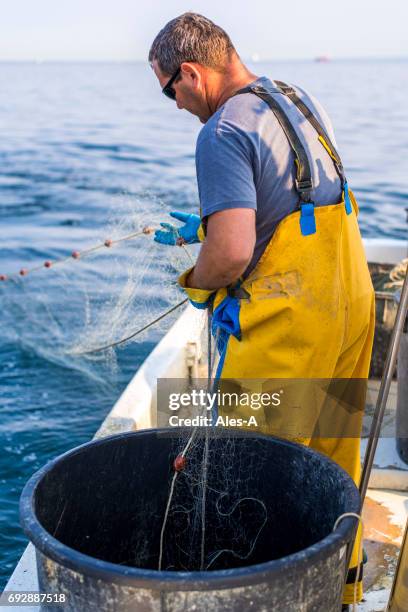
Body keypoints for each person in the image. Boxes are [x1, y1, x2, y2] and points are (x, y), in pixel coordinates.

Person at [149, 12, 375, 609]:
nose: (173, 105)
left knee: (254, 481)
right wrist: (208, 223)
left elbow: (230, 255)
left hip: (289, 328)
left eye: (168, 89)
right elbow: (296, 199)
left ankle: (266, 597)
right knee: (330, 462)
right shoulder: (295, 99)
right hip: (348, 309)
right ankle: (338, 591)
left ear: (190, 73)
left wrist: (197, 282)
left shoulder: (221, 131)